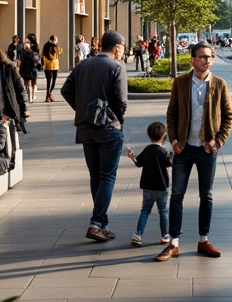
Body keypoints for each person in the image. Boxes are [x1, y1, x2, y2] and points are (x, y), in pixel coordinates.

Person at [157, 40, 232, 261]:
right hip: (183, 149)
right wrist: (173, 141)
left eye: (210, 56)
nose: (206, 60)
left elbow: (229, 117)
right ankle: (173, 243)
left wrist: (217, 142)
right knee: (177, 195)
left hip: (207, 150)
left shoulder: (220, 84)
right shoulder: (180, 82)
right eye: (202, 56)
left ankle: (203, 240)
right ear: (192, 60)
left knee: (206, 196)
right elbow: (171, 114)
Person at [61, 29, 129, 242]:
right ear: (117, 47)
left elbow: (65, 90)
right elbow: (121, 101)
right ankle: (96, 223)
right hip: (108, 128)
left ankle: (102, 224)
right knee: (107, 176)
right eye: (123, 47)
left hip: (85, 128)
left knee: (96, 176)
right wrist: (115, 119)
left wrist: (83, 109)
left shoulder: (82, 65)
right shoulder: (117, 67)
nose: (123, 51)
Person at [127, 120, 173, 247]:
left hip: (147, 187)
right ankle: (165, 235)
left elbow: (138, 163)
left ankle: (138, 234)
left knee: (145, 211)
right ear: (163, 136)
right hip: (162, 187)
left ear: (149, 135)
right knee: (163, 211)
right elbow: (170, 163)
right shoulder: (163, 151)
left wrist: (132, 156)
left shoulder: (147, 150)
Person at [19, 34, 41, 104]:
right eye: (25, 41)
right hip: (25, 67)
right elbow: (22, 57)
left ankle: (31, 97)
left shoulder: (34, 48)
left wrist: (29, 50)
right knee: (27, 83)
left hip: (32, 68)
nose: (26, 43)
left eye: (28, 41)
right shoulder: (23, 48)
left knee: (32, 83)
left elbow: (35, 57)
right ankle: (30, 97)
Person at [41, 35, 62, 102]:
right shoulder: (47, 46)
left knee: (54, 80)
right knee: (49, 80)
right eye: (55, 40)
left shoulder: (56, 46)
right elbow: (45, 55)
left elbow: (58, 53)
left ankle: (49, 94)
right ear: (52, 40)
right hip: (48, 65)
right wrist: (43, 64)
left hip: (55, 65)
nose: (56, 42)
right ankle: (48, 95)